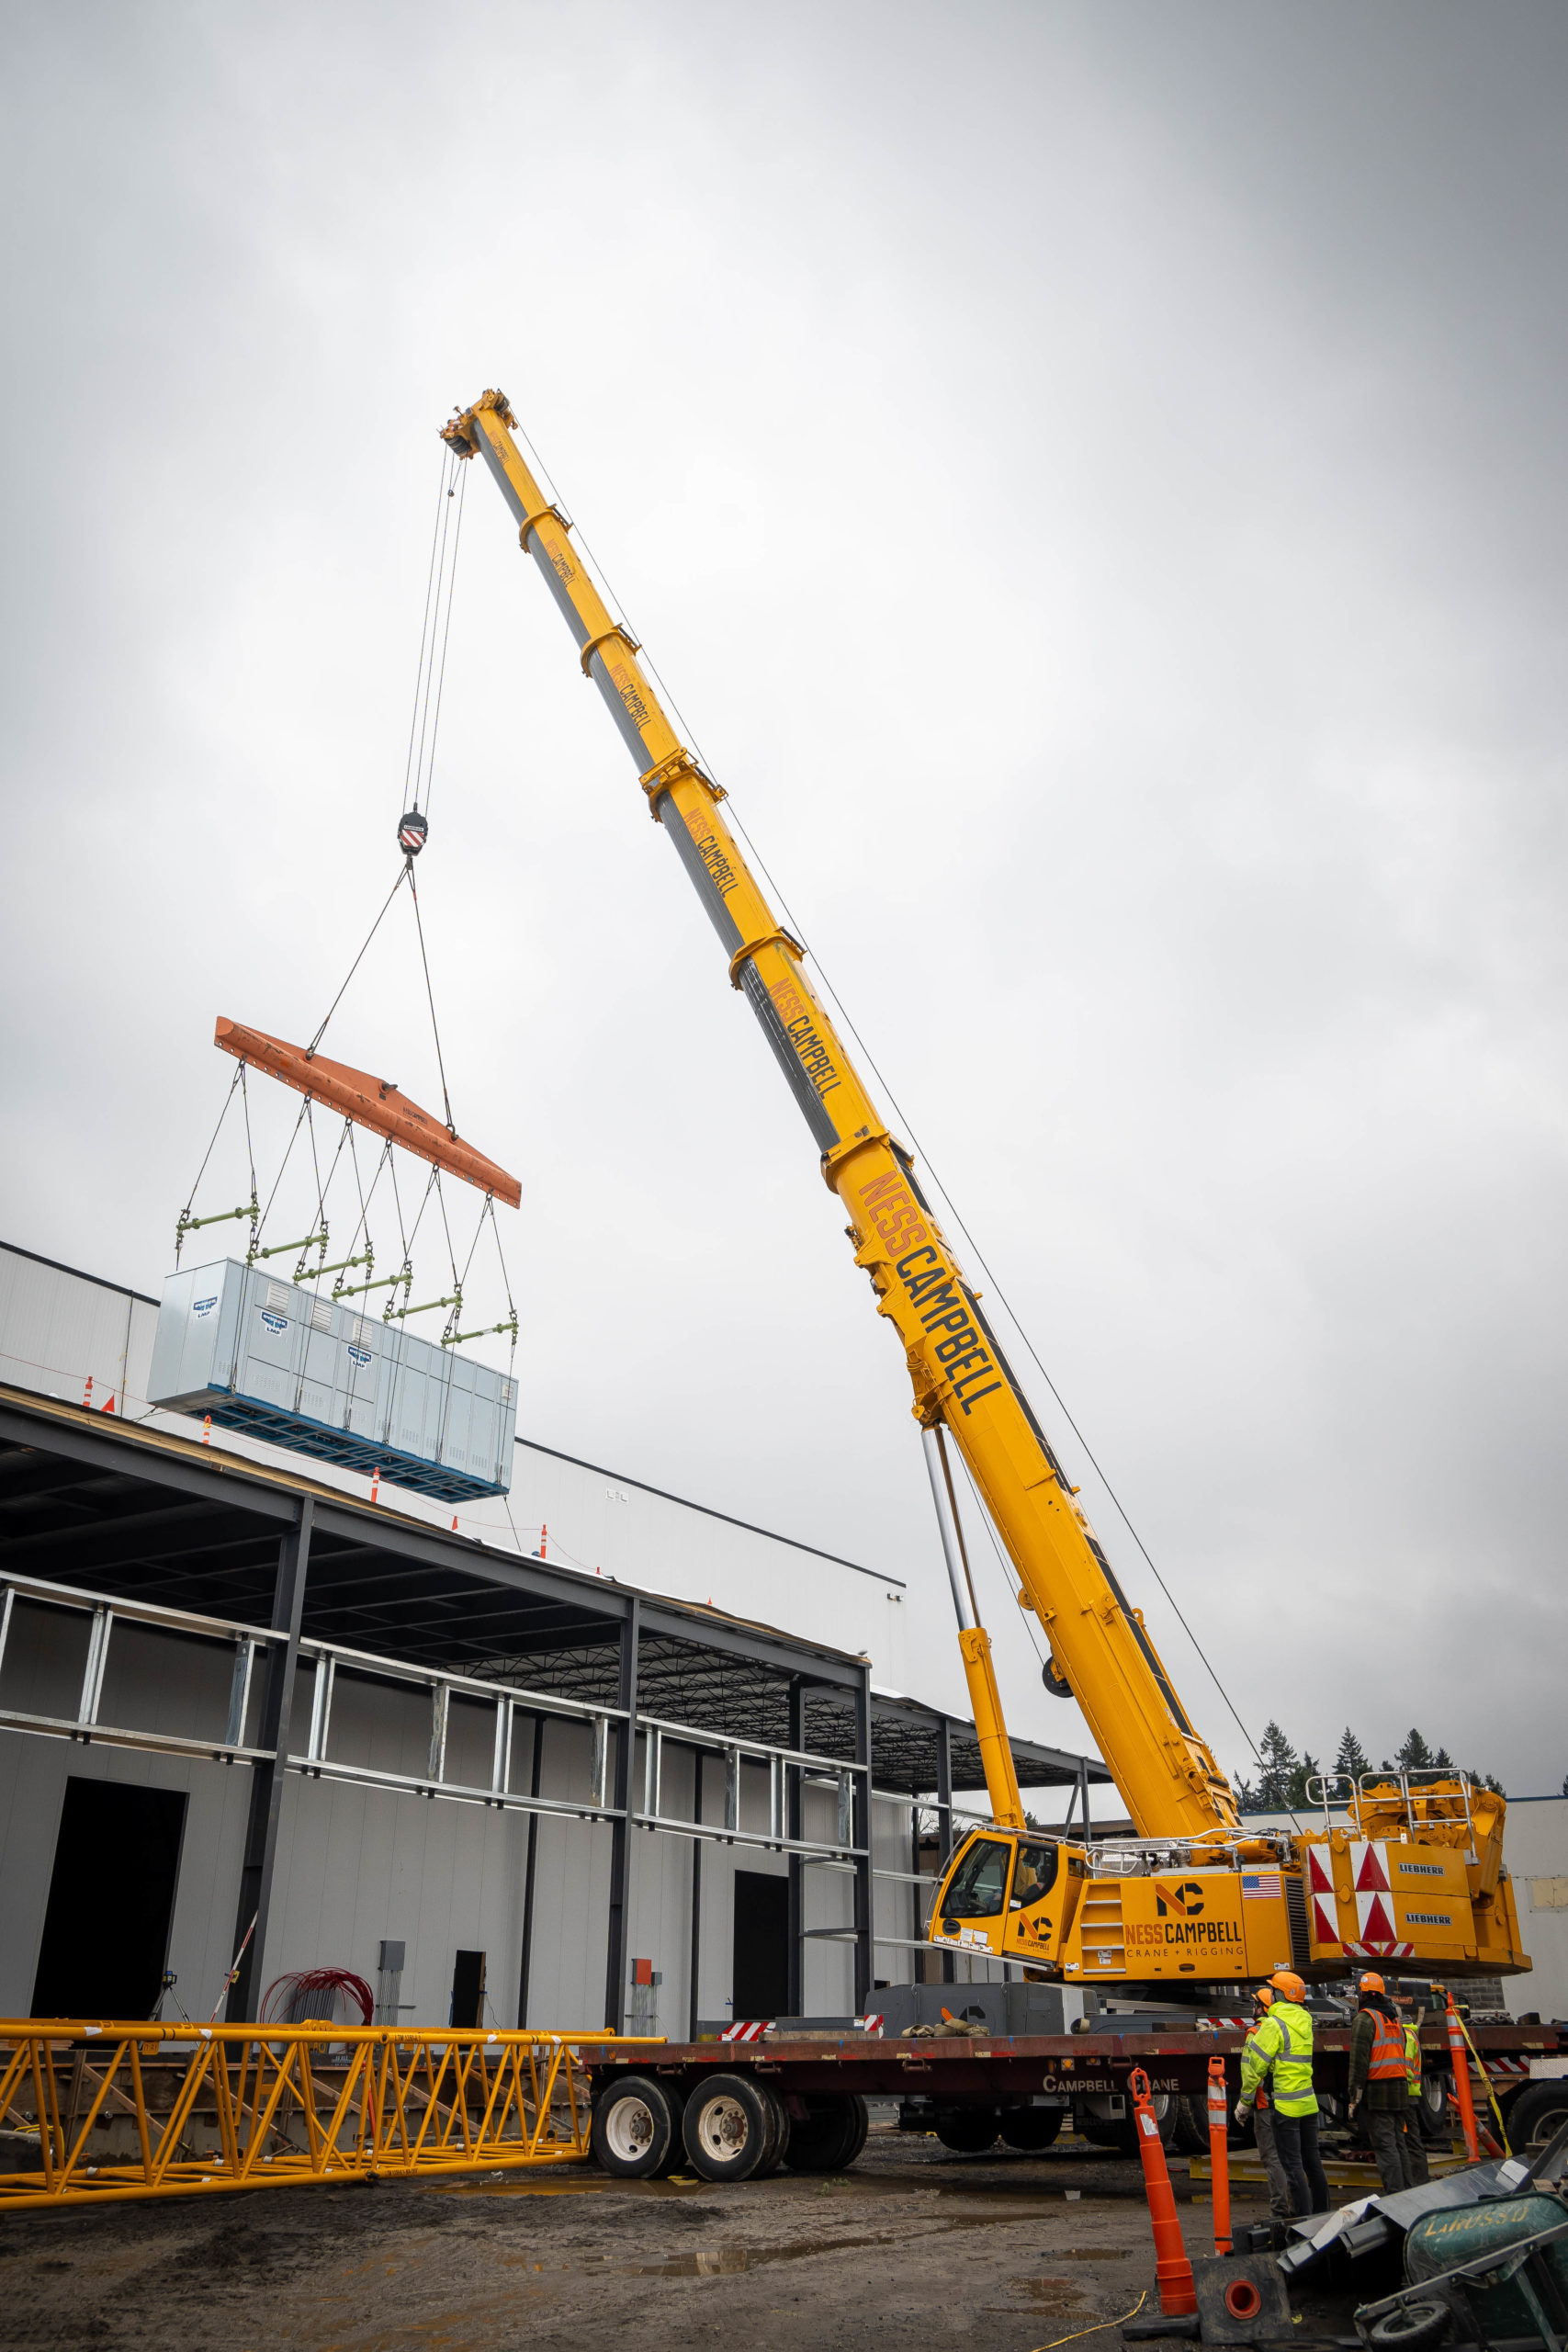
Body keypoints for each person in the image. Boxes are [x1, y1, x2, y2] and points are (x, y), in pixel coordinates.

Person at [1237, 1969, 1330, 2218]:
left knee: (1293, 2167)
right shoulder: (1305, 2022)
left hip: (1286, 2108)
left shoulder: (1274, 2025)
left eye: (1275, 1991)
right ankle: (1323, 2216)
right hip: (1308, 2104)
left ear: (1280, 1994)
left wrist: (1245, 2102)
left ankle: (1303, 2222)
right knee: (1313, 2164)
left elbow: (1255, 2066)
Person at [1348, 1970, 1417, 2193]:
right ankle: (1407, 2191)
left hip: (1379, 2091)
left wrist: (1354, 2097)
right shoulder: (1394, 2019)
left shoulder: (1366, 2019)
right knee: (1398, 2144)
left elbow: (1358, 2061)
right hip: (1399, 2088)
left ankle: (1395, 2195)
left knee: (1385, 2146)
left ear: (1365, 1994)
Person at [1241, 1985, 1293, 2245]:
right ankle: (1294, 2208)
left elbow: (1252, 2073)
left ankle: (1280, 2212)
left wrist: (1244, 2103)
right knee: (1288, 2157)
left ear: (1262, 2007)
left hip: (1264, 2104)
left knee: (1271, 2158)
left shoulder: (1256, 2032)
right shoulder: (1284, 2028)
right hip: (1286, 2103)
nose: (1253, 2009)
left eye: (1255, 2004)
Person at [1401, 1998, 1430, 2187]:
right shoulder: (1413, 2034)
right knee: (1412, 2140)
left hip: (1406, 2092)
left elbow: (1405, 2066)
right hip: (1411, 2092)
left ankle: (1418, 2182)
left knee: (1410, 2141)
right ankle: (1418, 2180)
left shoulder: (1406, 2037)